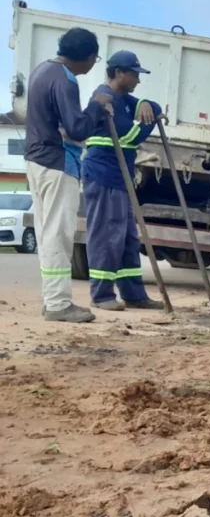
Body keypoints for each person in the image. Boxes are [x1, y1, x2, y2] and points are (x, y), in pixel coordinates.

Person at [24, 27, 112, 323]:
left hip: (37, 162)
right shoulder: (66, 80)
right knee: (58, 235)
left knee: (47, 233)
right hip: (58, 162)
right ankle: (58, 304)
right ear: (87, 57)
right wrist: (96, 106)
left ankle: (53, 300)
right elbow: (77, 128)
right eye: (95, 58)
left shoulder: (41, 71)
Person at [81, 51, 164, 311]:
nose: (138, 80)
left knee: (127, 237)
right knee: (107, 236)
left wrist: (148, 105)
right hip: (104, 176)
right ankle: (102, 294)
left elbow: (145, 106)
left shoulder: (124, 99)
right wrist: (150, 122)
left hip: (121, 178)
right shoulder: (104, 98)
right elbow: (129, 136)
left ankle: (133, 294)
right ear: (119, 73)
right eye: (134, 74)